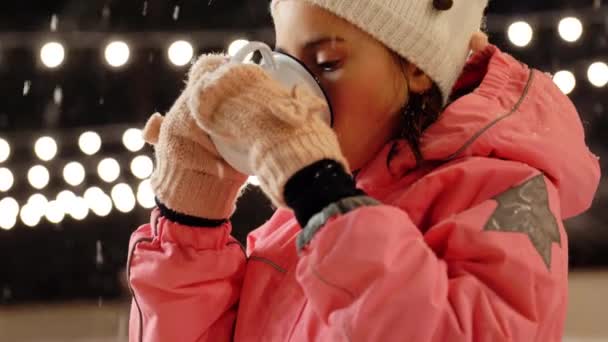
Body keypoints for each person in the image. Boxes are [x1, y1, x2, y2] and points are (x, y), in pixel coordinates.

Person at [127, 0, 601, 341]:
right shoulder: (296, 221)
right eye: (286, 60)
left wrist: (321, 191)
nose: (296, 90)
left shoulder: (504, 192)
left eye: (328, 63)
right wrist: (191, 218)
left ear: (416, 66)